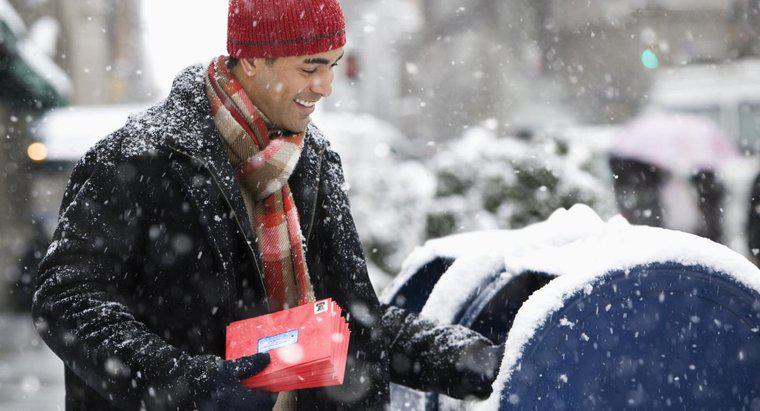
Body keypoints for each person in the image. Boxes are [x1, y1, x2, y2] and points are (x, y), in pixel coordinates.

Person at [32, 0, 502, 409]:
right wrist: (189, 386)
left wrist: (467, 362)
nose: (326, 86)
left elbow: (349, 317)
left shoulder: (311, 161)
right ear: (253, 60)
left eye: (334, 65)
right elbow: (67, 300)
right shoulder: (138, 158)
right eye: (310, 67)